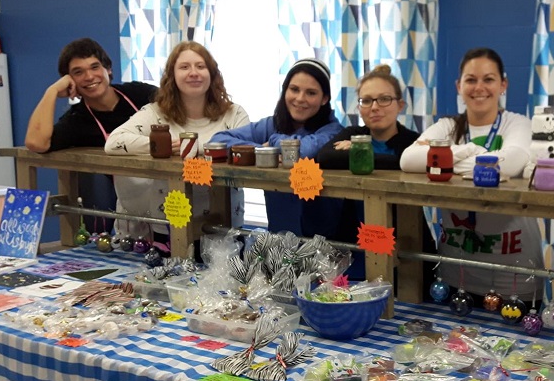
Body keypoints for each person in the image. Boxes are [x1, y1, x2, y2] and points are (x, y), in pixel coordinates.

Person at [400, 47, 547, 302]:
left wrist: (442, 160)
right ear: (459, 85)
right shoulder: (447, 126)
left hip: (513, 272)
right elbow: (408, 159)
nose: (479, 87)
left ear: (503, 85)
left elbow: (510, 164)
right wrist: (473, 150)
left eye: (488, 79)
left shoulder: (517, 123)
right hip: (456, 272)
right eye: (471, 79)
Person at [104, 41, 250, 240]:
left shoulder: (234, 113)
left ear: (212, 74)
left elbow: (244, 148)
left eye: (201, 66)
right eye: (184, 67)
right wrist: (160, 147)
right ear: (172, 76)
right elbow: (114, 142)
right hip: (170, 221)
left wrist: (190, 147)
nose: (193, 73)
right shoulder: (155, 113)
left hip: (225, 222)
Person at [24, 38, 156, 227]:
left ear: (108, 69)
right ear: (69, 82)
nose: (89, 76)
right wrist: (51, 91)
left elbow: (180, 110)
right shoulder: (78, 119)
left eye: (95, 67)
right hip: (126, 205)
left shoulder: (140, 94)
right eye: (78, 72)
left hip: (167, 189)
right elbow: (36, 142)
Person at [210, 58, 343, 238]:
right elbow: (219, 140)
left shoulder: (334, 130)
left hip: (327, 244)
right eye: (294, 89)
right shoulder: (271, 124)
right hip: (279, 239)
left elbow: (303, 151)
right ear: (285, 90)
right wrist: (261, 151)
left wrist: (272, 142)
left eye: (311, 93)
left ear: (324, 99)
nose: (300, 99)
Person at [317, 64, 422, 278]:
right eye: (366, 100)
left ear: (399, 105)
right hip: (353, 237)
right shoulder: (352, 133)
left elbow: (406, 162)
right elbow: (326, 157)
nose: (375, 107)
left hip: (403, 239)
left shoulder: (413, 141)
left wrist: (360, 153)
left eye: (384, 99)